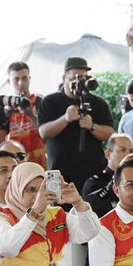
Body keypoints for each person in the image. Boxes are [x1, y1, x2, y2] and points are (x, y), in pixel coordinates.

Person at [37, 57, 115, 192]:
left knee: (93, 210)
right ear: (64, 78)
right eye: (74, 79)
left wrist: (92, 126)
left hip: (92, 172)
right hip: (59, 173)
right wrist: (65, 119)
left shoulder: (98, 103)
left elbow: (109, 133)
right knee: (58, 211)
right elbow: (43, 132)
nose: (78, 83)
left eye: (83, 79)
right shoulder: (50, 101)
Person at [4, 61, 46, 167]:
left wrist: (31, 114)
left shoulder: (39, 101)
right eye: (16, 79)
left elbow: (46, 131)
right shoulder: (5, 106)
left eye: (24, 78)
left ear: (29, 79)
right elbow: (1, 140)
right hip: (15, 163)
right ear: (9, 81)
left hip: (39, 160)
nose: (20, 83)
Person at [82, 133, 133, 218]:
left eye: (131, 151)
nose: (128, 155)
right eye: (122, 150)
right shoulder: (94, 184)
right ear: (107, 154)